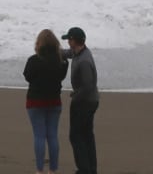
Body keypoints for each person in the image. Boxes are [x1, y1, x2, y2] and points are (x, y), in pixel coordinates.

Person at [23, 28, 69, 172]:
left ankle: (39, 170)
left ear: (39, 44)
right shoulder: (62, 62)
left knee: (39, 136)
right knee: (52, 136)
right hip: (54, 101)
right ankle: (53, 170)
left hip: (35, 102)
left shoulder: (34, 60)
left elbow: (27, 76)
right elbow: (61, 77)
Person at [62, 26, 99, 174]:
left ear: (74, 41)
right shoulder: (79, 51)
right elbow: (67, 53)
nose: (67, 42)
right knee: (87, 135)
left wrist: (75, 95)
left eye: (68, 39)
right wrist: (53, 52)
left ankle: (84, 169)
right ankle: (91, 169)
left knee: (76, 136)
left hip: (85, 102)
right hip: (88, 100)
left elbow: (88, 85)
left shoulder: (84, 60)